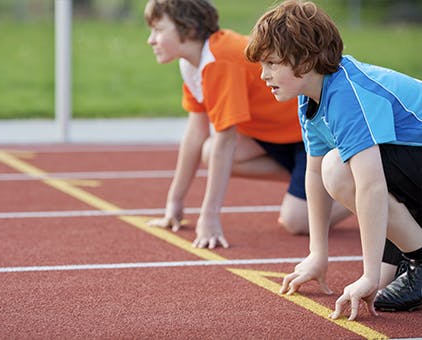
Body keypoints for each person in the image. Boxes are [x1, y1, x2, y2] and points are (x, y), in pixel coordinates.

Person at [245, 0, 422, 321]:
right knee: (383, 289)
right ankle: (415, 257)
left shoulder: (347, 94)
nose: (264, 75)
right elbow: (312, 175)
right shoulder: (309, 98)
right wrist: (317, 254)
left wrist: (367, 274)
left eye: (271, 63)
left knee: (338, 168)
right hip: (412, 164)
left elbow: (370, 185)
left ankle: (420, 259)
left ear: (305, 59)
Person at [143, 0, 349, 249]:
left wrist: (208, 217)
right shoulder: (191, 63)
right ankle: (307, 177)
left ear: (189, 29)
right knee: (208, 151)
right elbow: (195, 133)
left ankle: (365, 193)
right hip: (271, 137)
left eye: (158, 29)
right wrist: (174, 202)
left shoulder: (220, 59)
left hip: (306, 136)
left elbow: (225, 139)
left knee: (297, 222)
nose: (151, 40)